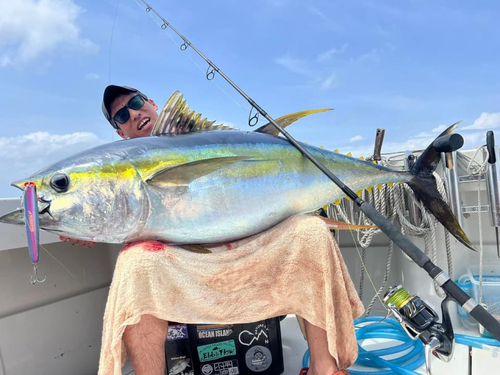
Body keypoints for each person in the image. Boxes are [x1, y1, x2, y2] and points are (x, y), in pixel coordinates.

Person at [73, 85, 357, 375]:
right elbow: (125, 211)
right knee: (134, 264)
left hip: (256, 244)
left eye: (135, 102)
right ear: (120, 133)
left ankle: (324, 368)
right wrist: (88, 224)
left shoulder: (204, 140)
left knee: (311, 231)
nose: (133, 113)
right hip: (188, 262)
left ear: (152, 103)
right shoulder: (127, 168)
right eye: (121, 115)